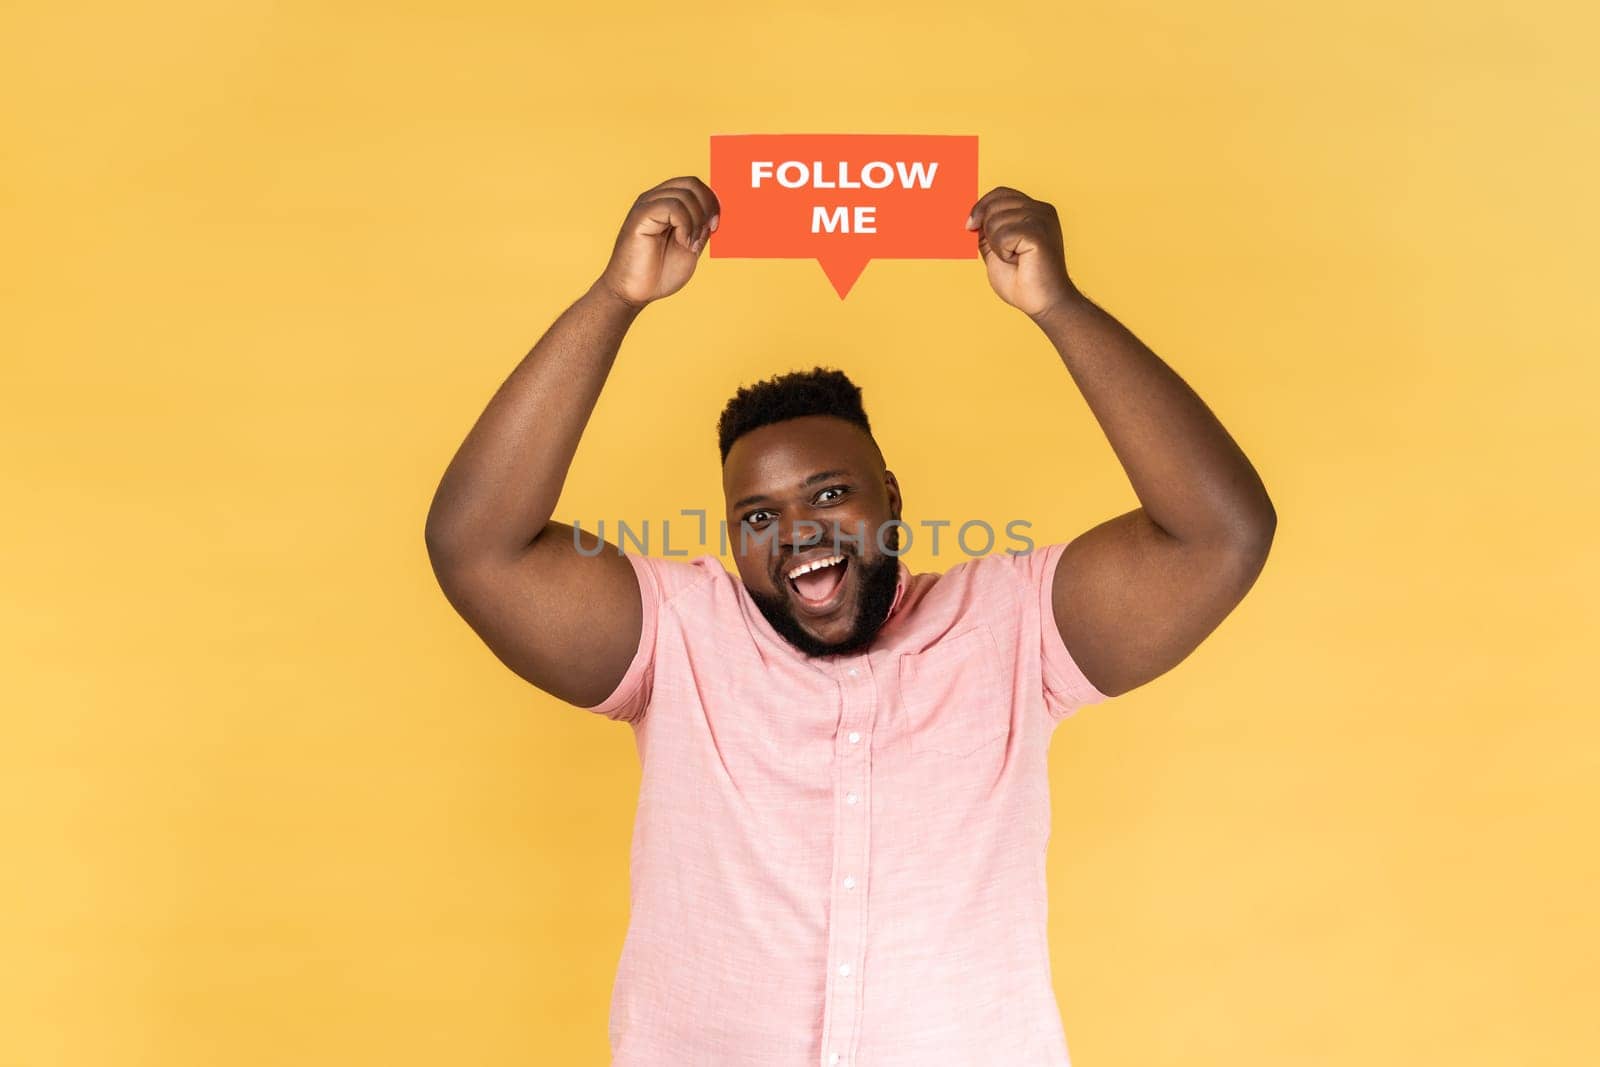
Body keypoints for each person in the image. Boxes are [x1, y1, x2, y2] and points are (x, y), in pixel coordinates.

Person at [424, 174, 1276, 1066]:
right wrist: (616, 298)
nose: (797, 534)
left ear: (893, 500)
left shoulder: (1011, 625)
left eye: (831, 493)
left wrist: (1058, 306)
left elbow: (1222, 535)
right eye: (757, 516)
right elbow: (476, 545)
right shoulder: (679, 633)